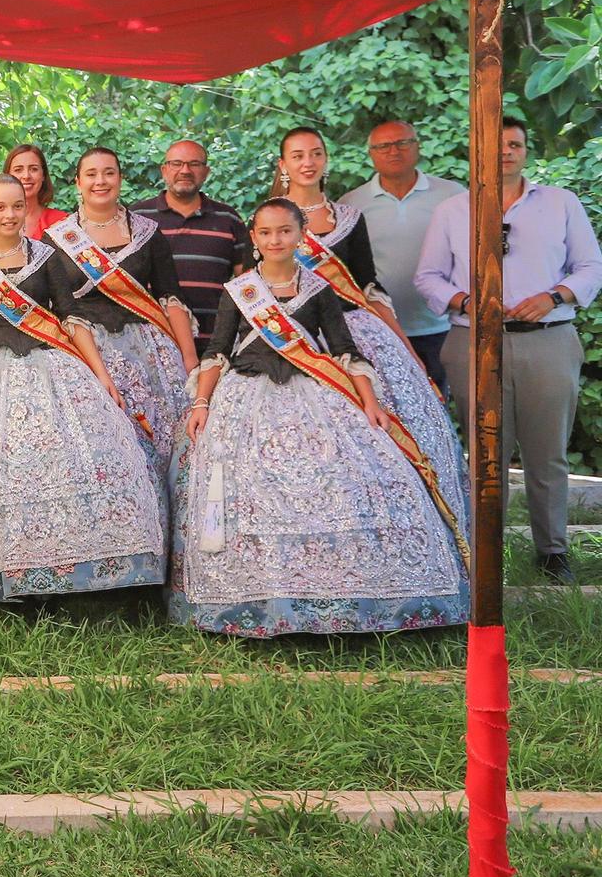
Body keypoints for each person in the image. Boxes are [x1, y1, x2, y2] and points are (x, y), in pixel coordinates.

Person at [175, 199, 468, 635]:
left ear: (301, 236)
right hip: (247, 395)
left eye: (285, 232)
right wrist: (201, 404)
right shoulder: (238, 292)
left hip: (317, 393)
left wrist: (370, 402)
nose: (276, 240)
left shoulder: (318, 289)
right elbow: (217, 351)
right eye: (266, 233)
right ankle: (253, 594)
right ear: (253, 239)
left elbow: (346, 351)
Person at [0, 174, 164, 601]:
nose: (9, 214)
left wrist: (102, 376)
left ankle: (72, 567)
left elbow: (71, 316)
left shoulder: (47, 256)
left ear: (26, 208)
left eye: (17, 206)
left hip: (51, 368)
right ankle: (0, 568)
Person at [416, 117, 602, 585]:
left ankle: (552, 551)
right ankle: (483, 552)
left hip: (548, 341)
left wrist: (555, 296)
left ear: (526, 151)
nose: (506, 152)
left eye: (515, 144)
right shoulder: (455, 210)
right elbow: (428, 278)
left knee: (547, 452)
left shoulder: (560, 203)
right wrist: (467, 303)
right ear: (478, 152)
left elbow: (590, 266)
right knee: (484, 451)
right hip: (474, 343)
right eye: (496, 145)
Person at [271, 126, 466, 545]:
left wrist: (403, 346)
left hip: (355, 333)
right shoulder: (268, 216)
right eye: (298, 155)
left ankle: (398, 533)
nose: (308, 162)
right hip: (294, 338)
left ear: (326, 159)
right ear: (283, 165)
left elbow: (368, 286)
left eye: (316, 153)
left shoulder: (348, 217)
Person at [46, 147, 198, 477]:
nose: (100, 181)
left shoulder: (147, 232)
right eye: (91, 174)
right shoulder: (56, 240)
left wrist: (190, 362)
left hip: (149, 354)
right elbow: (59, 308)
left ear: (121, 179)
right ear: (77, 182)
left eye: (109, 173)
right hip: (84, 352)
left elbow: (171, 298)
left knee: (160, 443)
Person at [339, 120, 464, 388]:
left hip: (440, 327)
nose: (393, 151)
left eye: (402, 143)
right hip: (378, 332)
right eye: (383, 146)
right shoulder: (351, 204)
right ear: (371, 154)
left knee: (439, 411)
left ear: (417, 146)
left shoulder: (453, 196)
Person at [129, 139, 249, 352]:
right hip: (151, 344)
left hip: (214, 346)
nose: (185, 170)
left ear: (206, 171)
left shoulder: (229, 219)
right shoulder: (137, 218)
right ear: (164, 170)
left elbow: (246, 284)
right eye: (176, 164)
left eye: (194, 164)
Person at [2, 144, 67, 240]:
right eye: (18, 170)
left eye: (34, 169)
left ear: (43, 175)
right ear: (7, 176)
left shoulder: (61, 222)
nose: (26, 176)